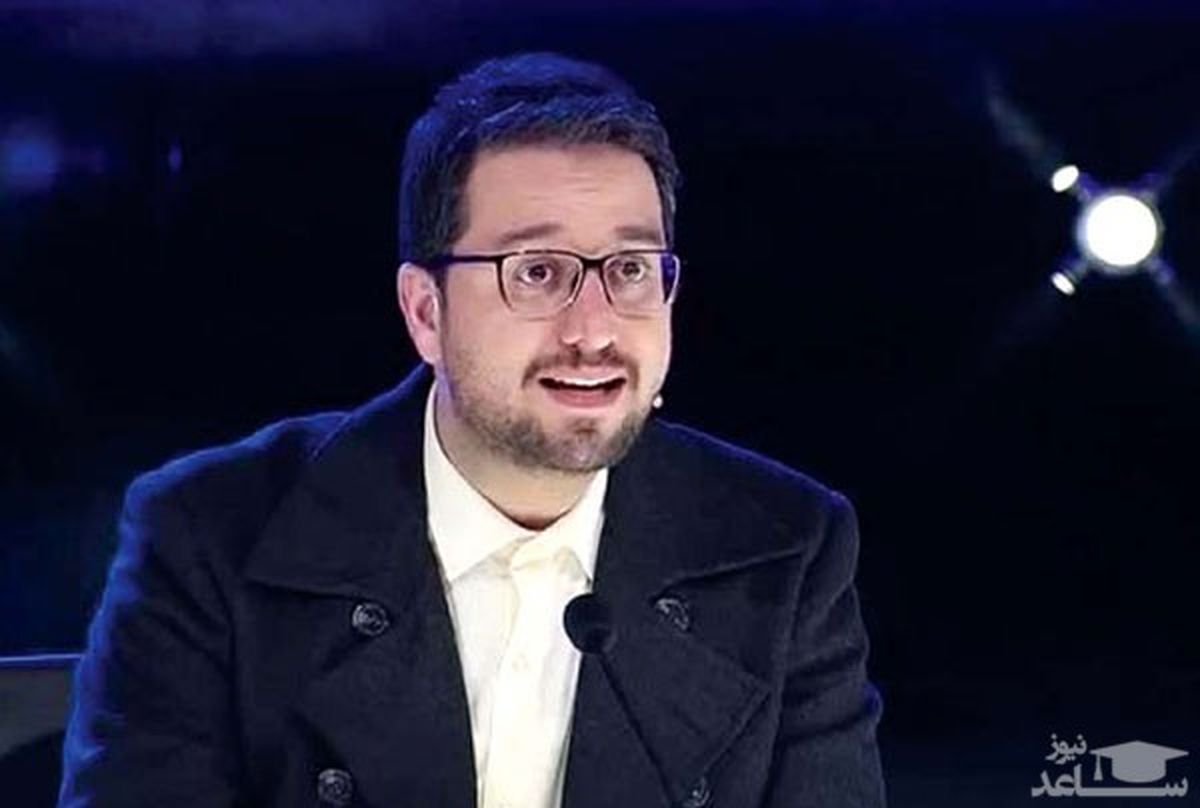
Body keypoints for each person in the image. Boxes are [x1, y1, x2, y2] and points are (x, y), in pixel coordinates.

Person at [58, 52, 886, 807]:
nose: (593, 330)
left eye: (630, 270)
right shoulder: (208, 537)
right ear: (426, 312)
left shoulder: (786, 550)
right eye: (538, 272)